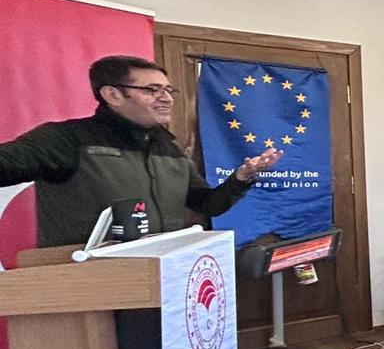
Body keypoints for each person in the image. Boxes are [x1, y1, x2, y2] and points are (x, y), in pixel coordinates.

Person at [0, 54, 279, 248]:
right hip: (87, 284)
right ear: (112, 95)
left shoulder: (167, 147)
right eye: (152, 90)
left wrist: (242, 178)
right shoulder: (67, 139)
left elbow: (208, 205)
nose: (166, 98)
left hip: (158, 278)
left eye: (168, 90)